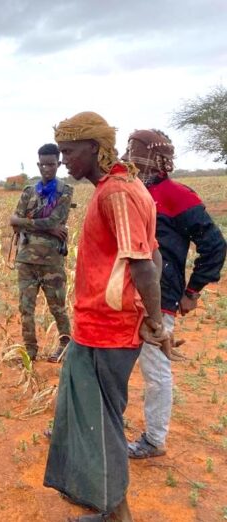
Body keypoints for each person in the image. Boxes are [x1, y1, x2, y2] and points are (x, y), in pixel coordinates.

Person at [43, 112, 169, 522]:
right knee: (101, 423)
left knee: (103, 427)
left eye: (69, 152)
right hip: (101, 328)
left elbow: (145, 264)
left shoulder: (116, 192)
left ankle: (117, 515)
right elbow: (154, 253)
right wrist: (148, 318)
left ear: (94, 149)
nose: (64, 162)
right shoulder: (124, 186)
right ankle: (110, 509)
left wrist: (154, 321)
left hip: (107, 331)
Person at [121, 129, 226, 459]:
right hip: (127, 295)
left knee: (155, 369)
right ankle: (103, 422)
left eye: (133, 152)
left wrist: (193, 291)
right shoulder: (132, 192)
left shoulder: (177, 195)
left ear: (153, 160)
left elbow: (214, 245)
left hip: (160, 296)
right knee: (117, 361)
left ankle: (154, 439)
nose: (126, 159)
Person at [9, 143, 73, 363]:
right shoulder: (30, 191)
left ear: (59, 164)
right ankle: (30, 351)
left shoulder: (65, 191)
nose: (47, 169)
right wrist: (46, 227)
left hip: (51, 261)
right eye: (43, 164)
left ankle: (65, 347)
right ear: (38, 164)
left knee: (57, 308)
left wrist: (27, 223)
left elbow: (55, 220)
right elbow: (13, 221)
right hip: (26, 259)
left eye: (51, 164)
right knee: (25, 309)